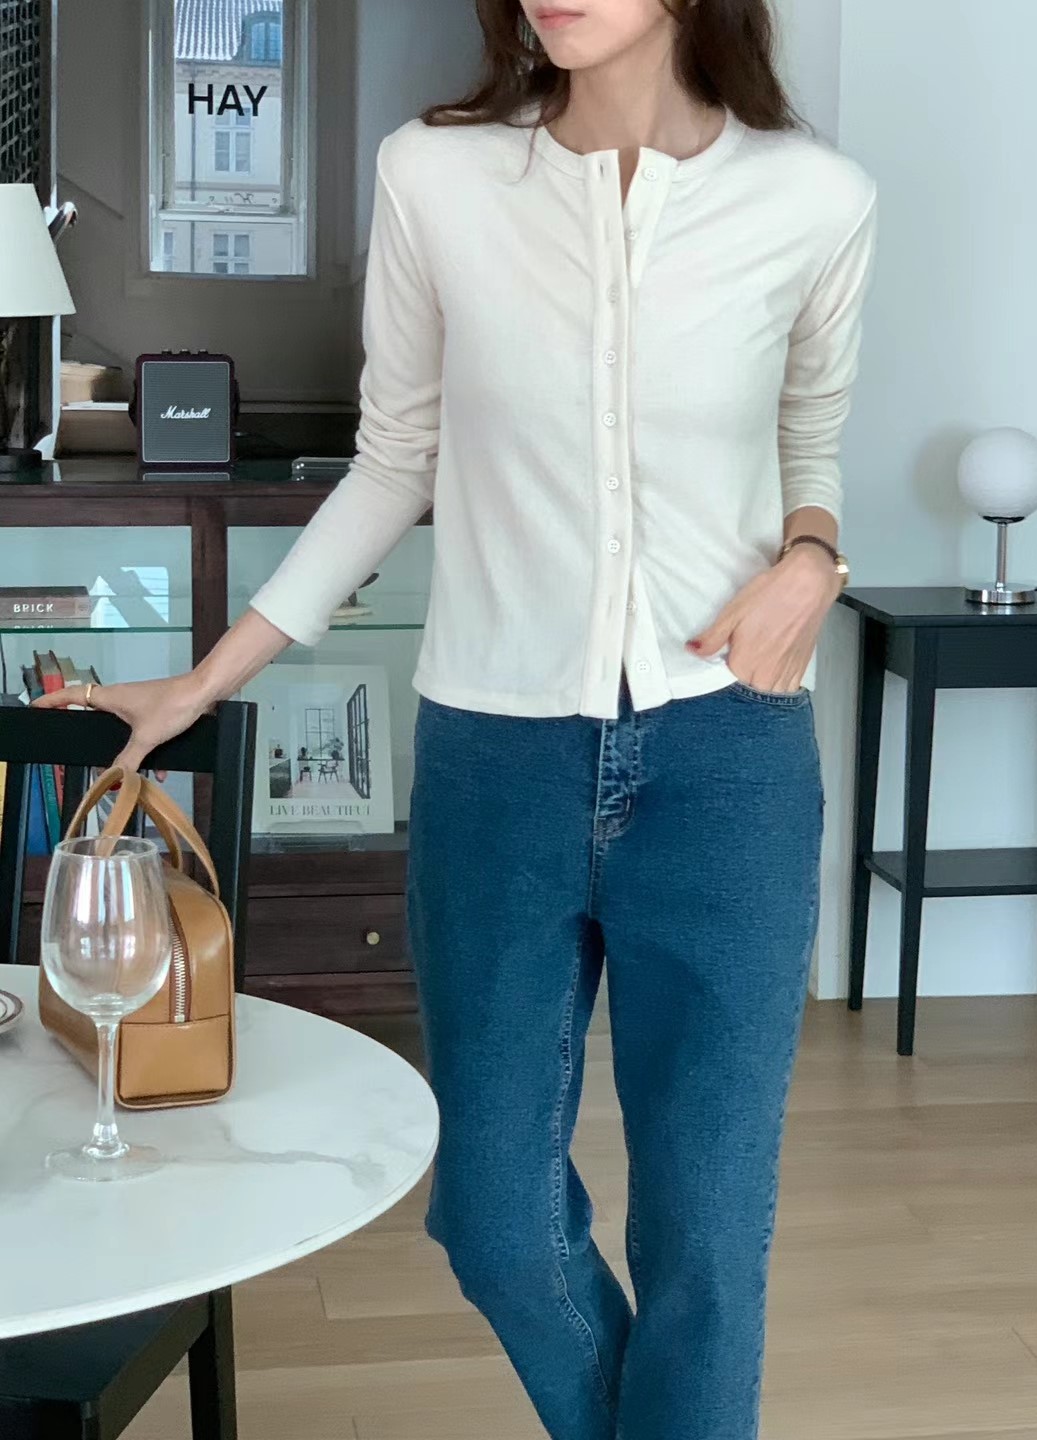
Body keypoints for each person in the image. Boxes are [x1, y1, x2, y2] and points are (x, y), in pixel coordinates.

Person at [36, 1, 877, 1434]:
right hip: (498, 759)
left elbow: (812, 439)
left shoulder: (815, 199)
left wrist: (812, 557)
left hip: (728, 759)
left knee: (707, 1243)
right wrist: (204, 679)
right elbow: (395, 459)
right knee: (490, 1217)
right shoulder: (436, 175)